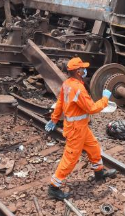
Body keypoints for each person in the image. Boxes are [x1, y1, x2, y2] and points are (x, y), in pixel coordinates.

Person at [45, 57, 117, 200]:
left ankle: (99, 172)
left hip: (81, 127)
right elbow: (91, 108)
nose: (85, 70)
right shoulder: (78, 88)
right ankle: (53, 187)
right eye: (83, 68)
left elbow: (59, 102)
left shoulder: (67, 84)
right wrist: (105, 99)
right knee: (70, 158)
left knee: (94, 148)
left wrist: (54, 119)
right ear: (78, 71)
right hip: (76, 130)